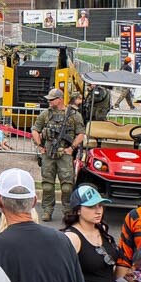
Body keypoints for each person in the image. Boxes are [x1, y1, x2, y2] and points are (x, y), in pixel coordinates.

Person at [33, 88, 85, 217]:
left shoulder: (74, 115)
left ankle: (68, 210)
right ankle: (47, 210)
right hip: (48, 154)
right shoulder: (45, 114)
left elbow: (81, 134)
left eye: (52, 99)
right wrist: (40, 145)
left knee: (67, 186)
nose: (49, 102)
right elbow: (35, 130)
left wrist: (71, 148)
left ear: (60, 99)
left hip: (65, 155)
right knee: (47, 186)